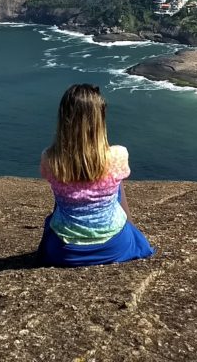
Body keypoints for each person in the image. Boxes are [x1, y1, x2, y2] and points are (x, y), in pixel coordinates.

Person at [36, 83, 155, 267]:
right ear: (100, 119)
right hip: (115, 246)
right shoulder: (118, 155)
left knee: (59, 203)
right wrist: (131, 229)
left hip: (64, 252)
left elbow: (58, 200)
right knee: (115, 185)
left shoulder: (50, 159)